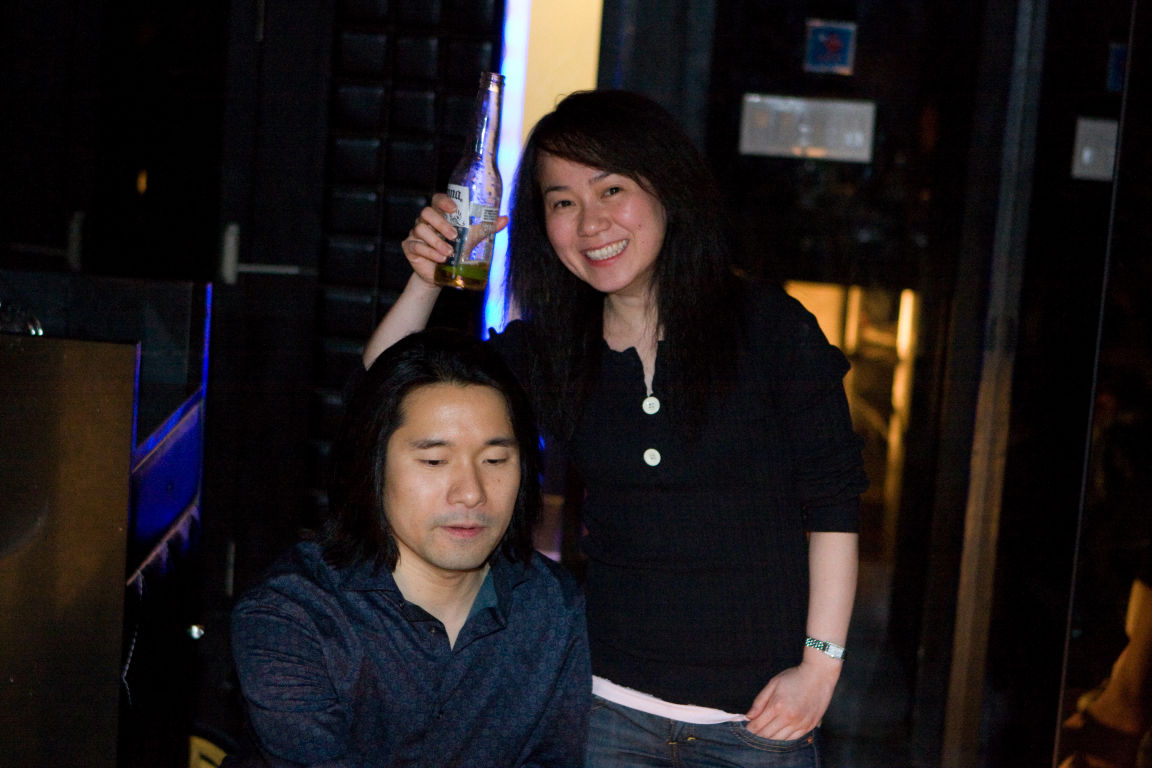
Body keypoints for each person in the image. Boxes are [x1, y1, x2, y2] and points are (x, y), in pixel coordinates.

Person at [366, 89, 868, 766]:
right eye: (562, 202)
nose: (591, 223)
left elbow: (834, 505)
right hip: (604, 715)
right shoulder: (551, 352)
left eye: (611, 190)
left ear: (665, 189)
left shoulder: (768, 329)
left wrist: (820, 668)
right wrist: (428, 277)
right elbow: (387, 388)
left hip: (758, 725)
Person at [229, 328, 590, 767]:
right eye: (435, 461)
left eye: (495, 460)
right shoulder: (294, 615)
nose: (472, 493)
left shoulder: (552, 606)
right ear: (373, 465)